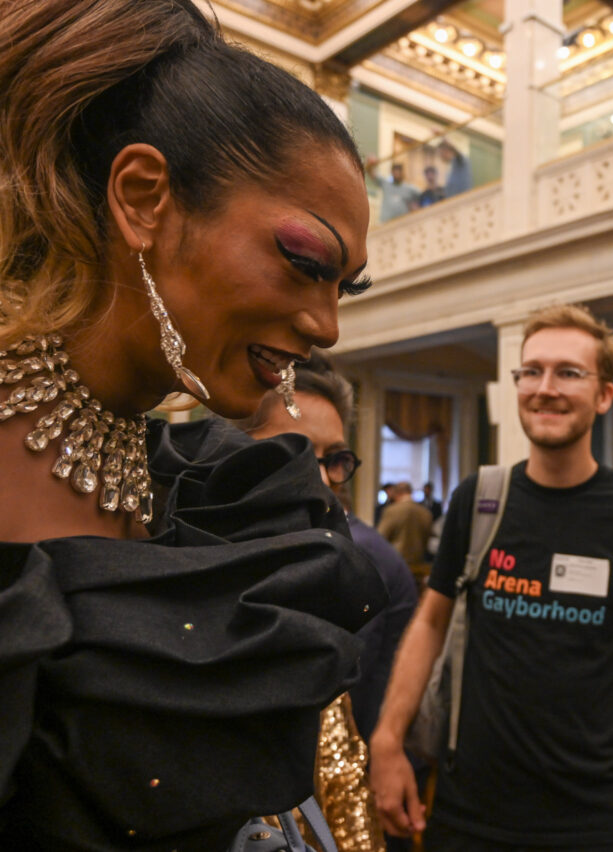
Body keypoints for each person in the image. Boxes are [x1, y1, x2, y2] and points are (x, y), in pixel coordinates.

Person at [0, 1, 388, 848]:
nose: (327, 328)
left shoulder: (229, 498)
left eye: (342, 289)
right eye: (306, 263)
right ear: (144, 198)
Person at [370, 303, 613, 852]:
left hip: (591, 821)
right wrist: (386, 740)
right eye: (532, 371)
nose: (546, 387)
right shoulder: (478, 499)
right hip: (465, 815)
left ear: (604, 395)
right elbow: (430, 623)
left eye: (569, 372)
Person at [246, 353, 420, 852]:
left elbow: (353, 744)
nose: (321, 480)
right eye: (294, 454)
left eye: (334, 460)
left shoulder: (361, 573)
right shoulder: (185, 568)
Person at [377, 481, 434, 576]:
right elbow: (426, 540)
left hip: (395, 566)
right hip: (418, 566)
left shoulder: (392, 510)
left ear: (397, 494)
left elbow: (380, 538)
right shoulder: (426, 513)